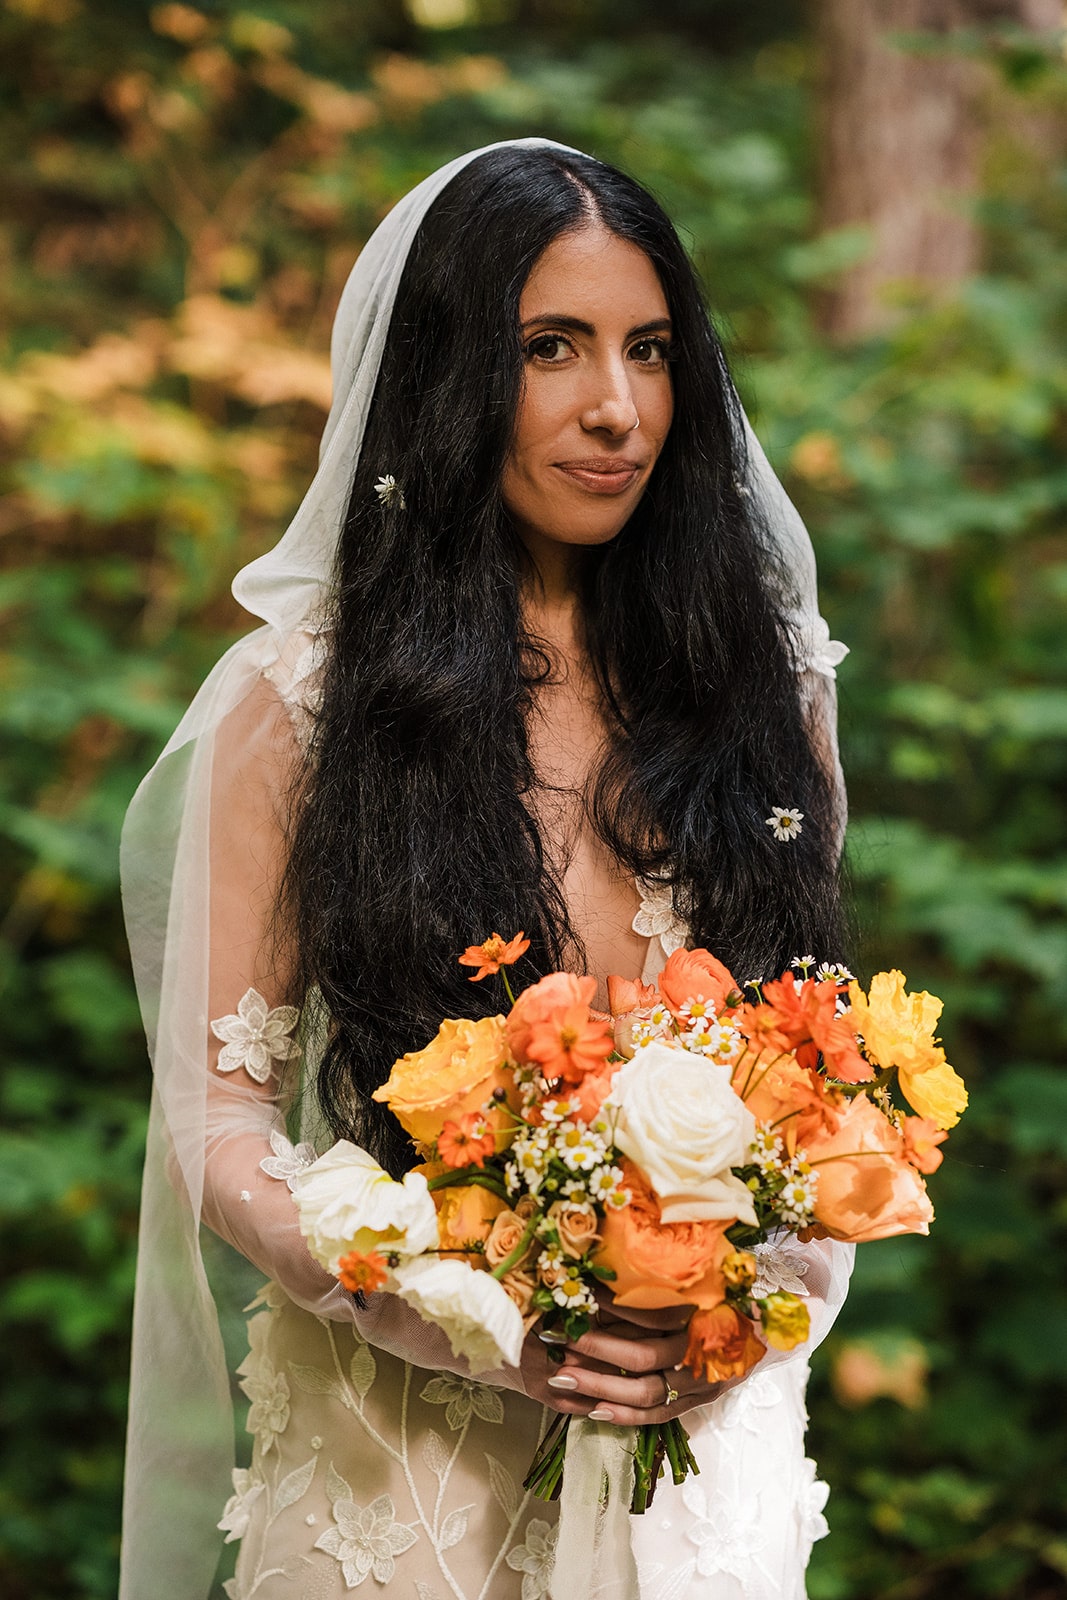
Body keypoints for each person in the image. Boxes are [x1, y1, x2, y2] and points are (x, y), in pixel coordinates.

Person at [119, 137, 853, 1600]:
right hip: (400, 1481)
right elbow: (210, 1113)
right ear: (452, 379)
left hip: (699, 1474)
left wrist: (743, 1313)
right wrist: (458, 1311)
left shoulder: (768, 693)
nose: (617, 410)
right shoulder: (302, 706)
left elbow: (825, 1086)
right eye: (551, 350)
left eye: (650, 351)